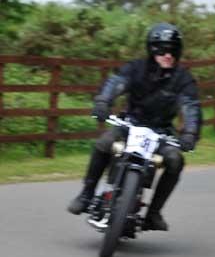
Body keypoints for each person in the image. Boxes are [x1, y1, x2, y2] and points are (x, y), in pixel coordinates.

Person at [67, 22, 202, 231]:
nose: (168, 55)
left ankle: (153, 213)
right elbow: (116, 83)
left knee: (175, 160)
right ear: (152, 49)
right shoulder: (136, 68)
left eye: (173, 50)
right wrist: (103, 101)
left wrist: (191, 133)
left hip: (161, 133)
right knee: (103, 143)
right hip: (130, 124)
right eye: (163, 49)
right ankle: (86, 195)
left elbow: (190, 106)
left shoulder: (183, 79)